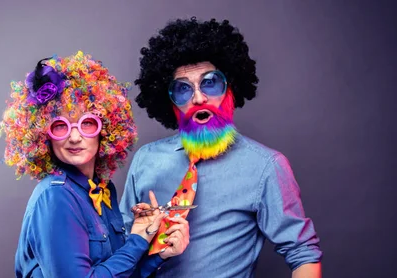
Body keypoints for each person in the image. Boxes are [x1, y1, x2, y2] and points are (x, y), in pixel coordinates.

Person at [119, 18, 323, 277]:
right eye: (183, 89)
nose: (199, 98)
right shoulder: (146, 160)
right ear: (170, 103)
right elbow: (122, 248)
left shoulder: (266, 166)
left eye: (210, 82)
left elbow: (303, 253)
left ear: (231, 91)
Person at [0, 51, 190, 278]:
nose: (74, 137)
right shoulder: (56, 197)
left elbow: (119, 273)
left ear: (106, 129)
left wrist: (159, 253)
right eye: (60, 125)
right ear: (44, 134)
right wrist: (138, 240)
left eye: (87, 123)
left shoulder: (103, 191)